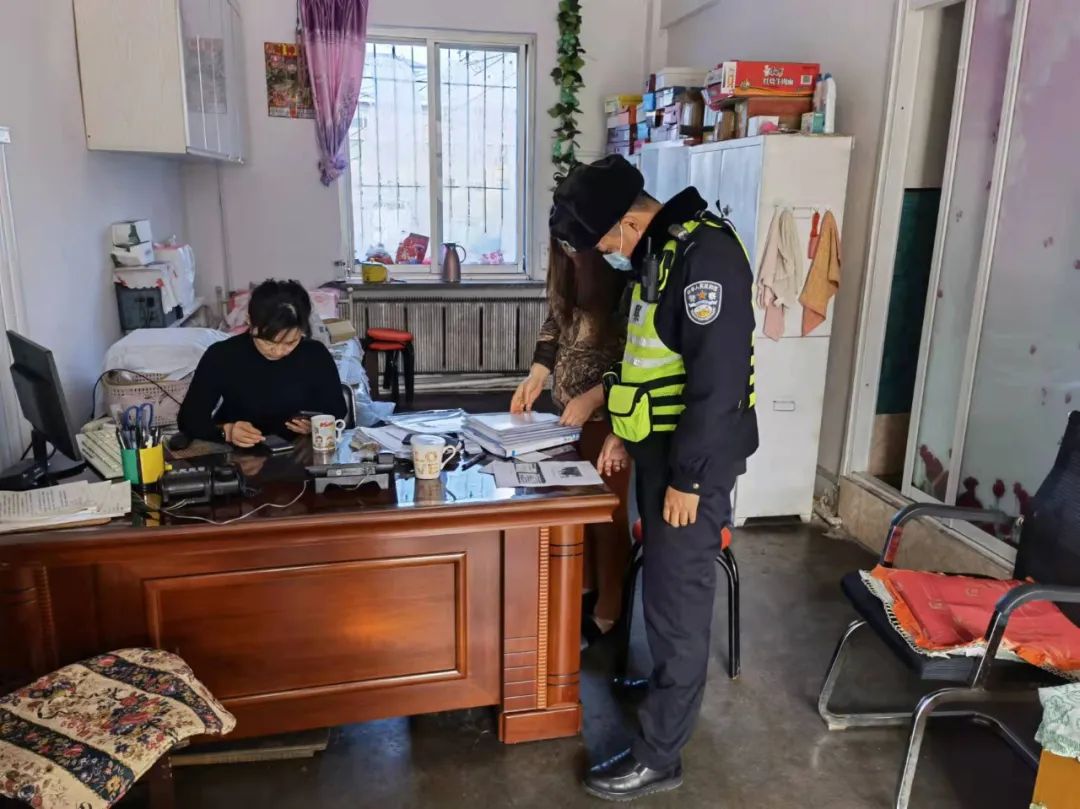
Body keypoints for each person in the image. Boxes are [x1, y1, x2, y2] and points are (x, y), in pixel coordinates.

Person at [550, 156, 758, 801]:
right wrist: (620, 429)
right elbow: (649, 362)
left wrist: (689, 481)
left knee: (677, 604)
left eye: (606, 241)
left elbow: (718, 383)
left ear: (628, 221)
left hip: (691, 464)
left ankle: (660, 756)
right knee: (663, 593)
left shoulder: (705, 256)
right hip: (658, 450)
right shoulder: (661, 254)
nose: (607, 253)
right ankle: (668, 692)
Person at [511, 229, 631, 642]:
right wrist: (537, 375)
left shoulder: (623, 278)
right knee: (576, 506)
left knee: (608, 513)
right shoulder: (569, 273)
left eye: (572, 246)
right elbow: (555, 325)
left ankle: (611, 607)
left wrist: (595, 396)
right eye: (559, 246)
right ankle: (585, 589)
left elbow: (637, 359)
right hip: (568, 416)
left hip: (609, 418)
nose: (566, 254)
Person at [178, 279, 347, 447]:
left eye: (290, 342)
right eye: (268, 342)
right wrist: (226, 431)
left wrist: (316, 426)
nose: (278, 351)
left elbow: (337, 410)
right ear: (250, 321)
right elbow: (188, 420)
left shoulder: (315, 355)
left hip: (300, 450)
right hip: (238, 453)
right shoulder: (222, 355)